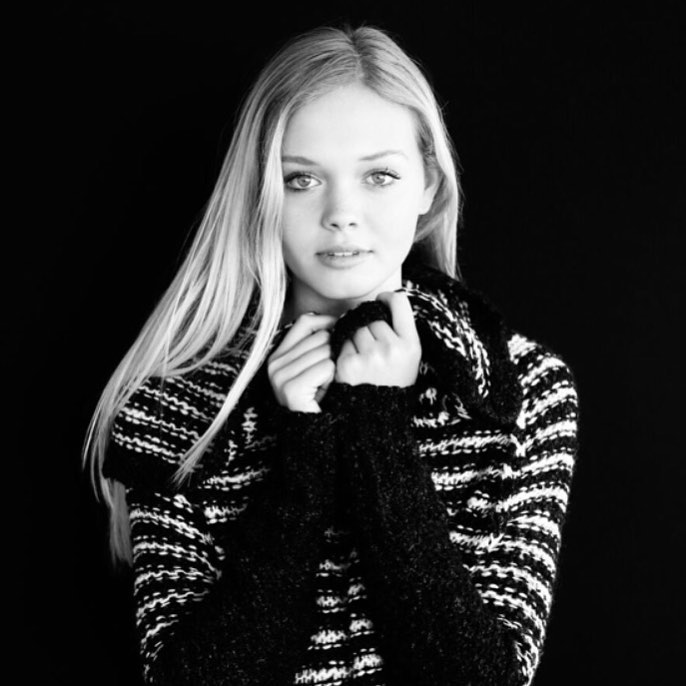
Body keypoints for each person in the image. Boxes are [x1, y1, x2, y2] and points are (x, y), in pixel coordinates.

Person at [83, 23, 580, 686]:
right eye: (301, 179)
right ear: (260, 193)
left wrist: (376, 430)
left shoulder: (523, 390)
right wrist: (304, 454)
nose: (342, 213)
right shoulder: (170, 409)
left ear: (427, 186)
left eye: (379, 175)